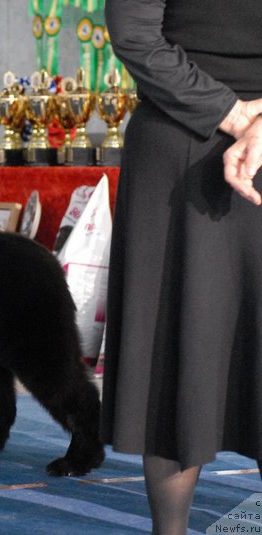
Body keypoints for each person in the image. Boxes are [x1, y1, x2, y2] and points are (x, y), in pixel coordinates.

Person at [102, 1, 262, 533]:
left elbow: (134, 34)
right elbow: (135, 36)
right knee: (179, 350)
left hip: (180, 140)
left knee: (176, 355)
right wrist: (248, 120)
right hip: (185, 151)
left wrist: (244, 119)